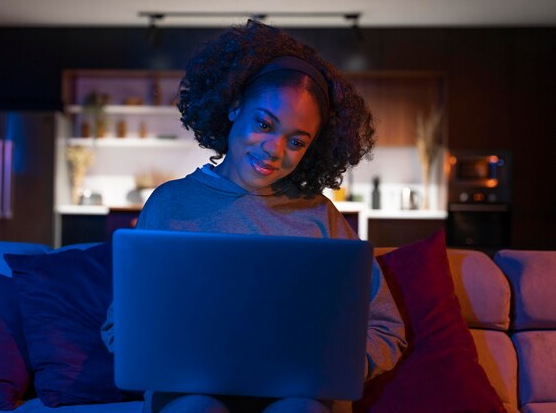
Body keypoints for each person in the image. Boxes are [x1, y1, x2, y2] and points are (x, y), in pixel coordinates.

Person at [102, 20, 406, 413]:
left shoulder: (320, 215)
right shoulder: (170, 203)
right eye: (264, 124)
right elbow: (119, 325)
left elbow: (386, 327)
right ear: (233, 107)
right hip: (188, 392)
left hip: (298, 393)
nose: (275, 151)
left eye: (296, 141)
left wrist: (339, 366)